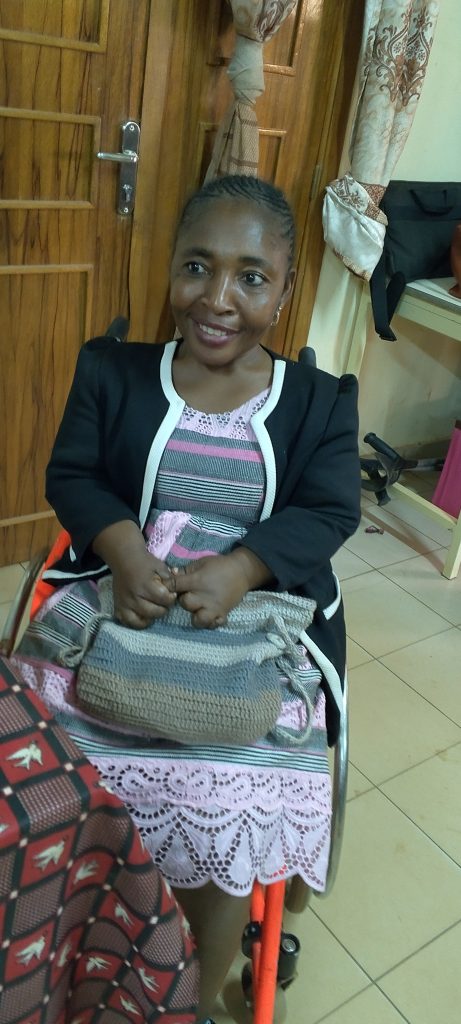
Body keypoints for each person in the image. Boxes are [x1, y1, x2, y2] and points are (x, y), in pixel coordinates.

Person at [13, 175, 361, 1023]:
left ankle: (186, 993)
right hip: (123, 588)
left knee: (223, 788)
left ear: (284, 291)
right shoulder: (111, 373)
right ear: (170, 267)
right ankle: (69, 941)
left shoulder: (319, 403)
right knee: (47, 763)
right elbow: (74, 475)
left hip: (255, 611)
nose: (217, 298)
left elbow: (328, 510)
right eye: (197, 266)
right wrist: (123, 547)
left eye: (251, 277)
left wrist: (244, 566)